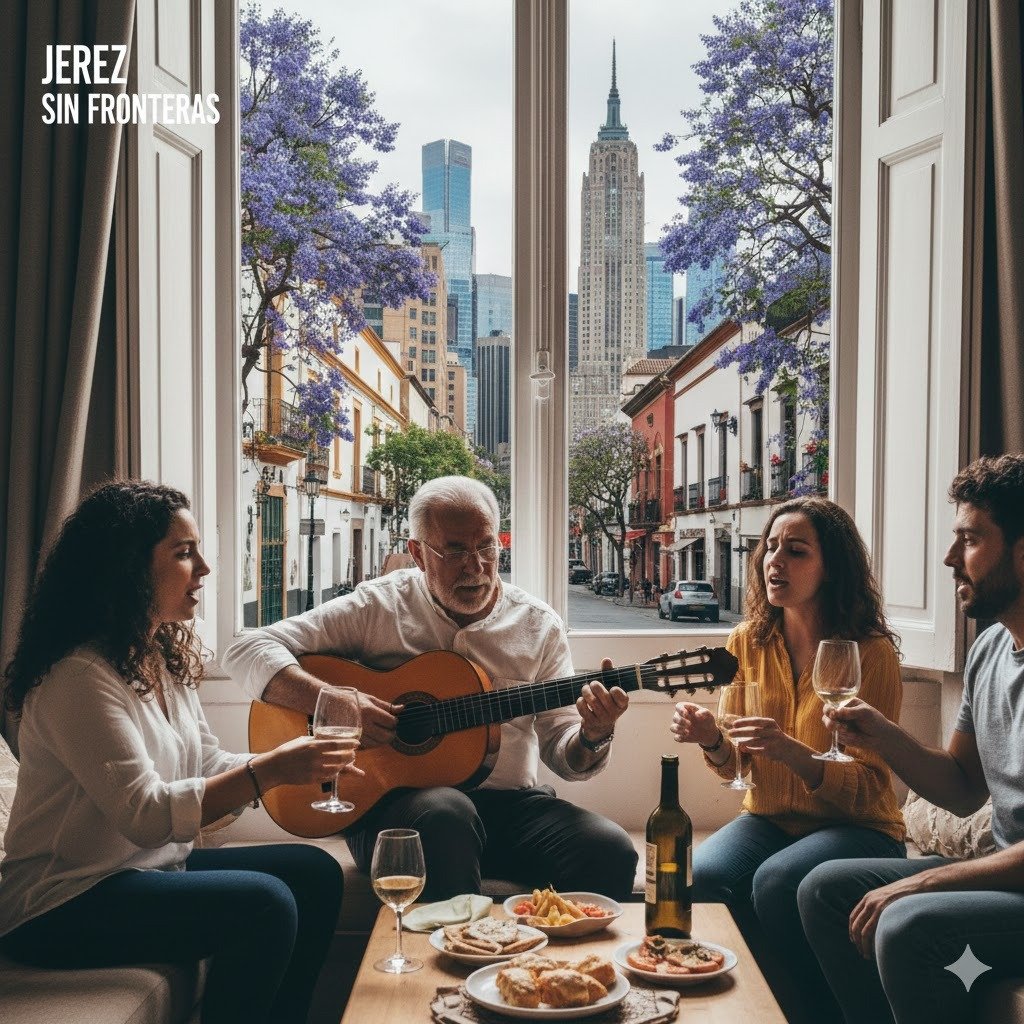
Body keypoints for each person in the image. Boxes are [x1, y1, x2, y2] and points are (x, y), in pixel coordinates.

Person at [0, 482, 355, 1024]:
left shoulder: (158, 656)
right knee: (264, 903)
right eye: (184, 553)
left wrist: (294, 759)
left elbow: (205, 763)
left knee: (315, 873)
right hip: (62, 903)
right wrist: (271, 770)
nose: (205, 568)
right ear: (125, 567)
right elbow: (145, 815)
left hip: (150, 874)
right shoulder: (78, 677)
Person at [223, 475, 637, 901]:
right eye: (456, 549)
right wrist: (337, 704)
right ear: (418, 553)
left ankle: (558, 969)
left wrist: (592, 735)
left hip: (510, 809)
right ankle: (455, 961)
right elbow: (245, 648)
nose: (476, 566)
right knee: (445, 814)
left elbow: (565, 757)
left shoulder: (539, 626)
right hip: (395, 812)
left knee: (611, 851)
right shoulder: (377, 607)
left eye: (487, 547)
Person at [798, 454, 1024, 1024]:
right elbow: (964, 789)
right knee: (823, 889)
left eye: (970, 540)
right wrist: (884, 736)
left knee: (904, 924)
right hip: (1007, 874)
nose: (950, 559)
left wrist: (922, 881)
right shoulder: (991, 649)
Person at [669, 497, 906, 1023]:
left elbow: (871, 785)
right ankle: (764, 1005)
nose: (775, 560)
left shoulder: (870, 653)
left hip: (858, 828)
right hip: (770, 819)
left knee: (776, 882)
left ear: (832, 568)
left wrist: (792, 752)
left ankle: (812, 1012)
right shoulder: (745, 642)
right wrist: (712, 739)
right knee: (702, 876)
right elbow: (738, 769)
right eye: (770, 547)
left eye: (795, 551)